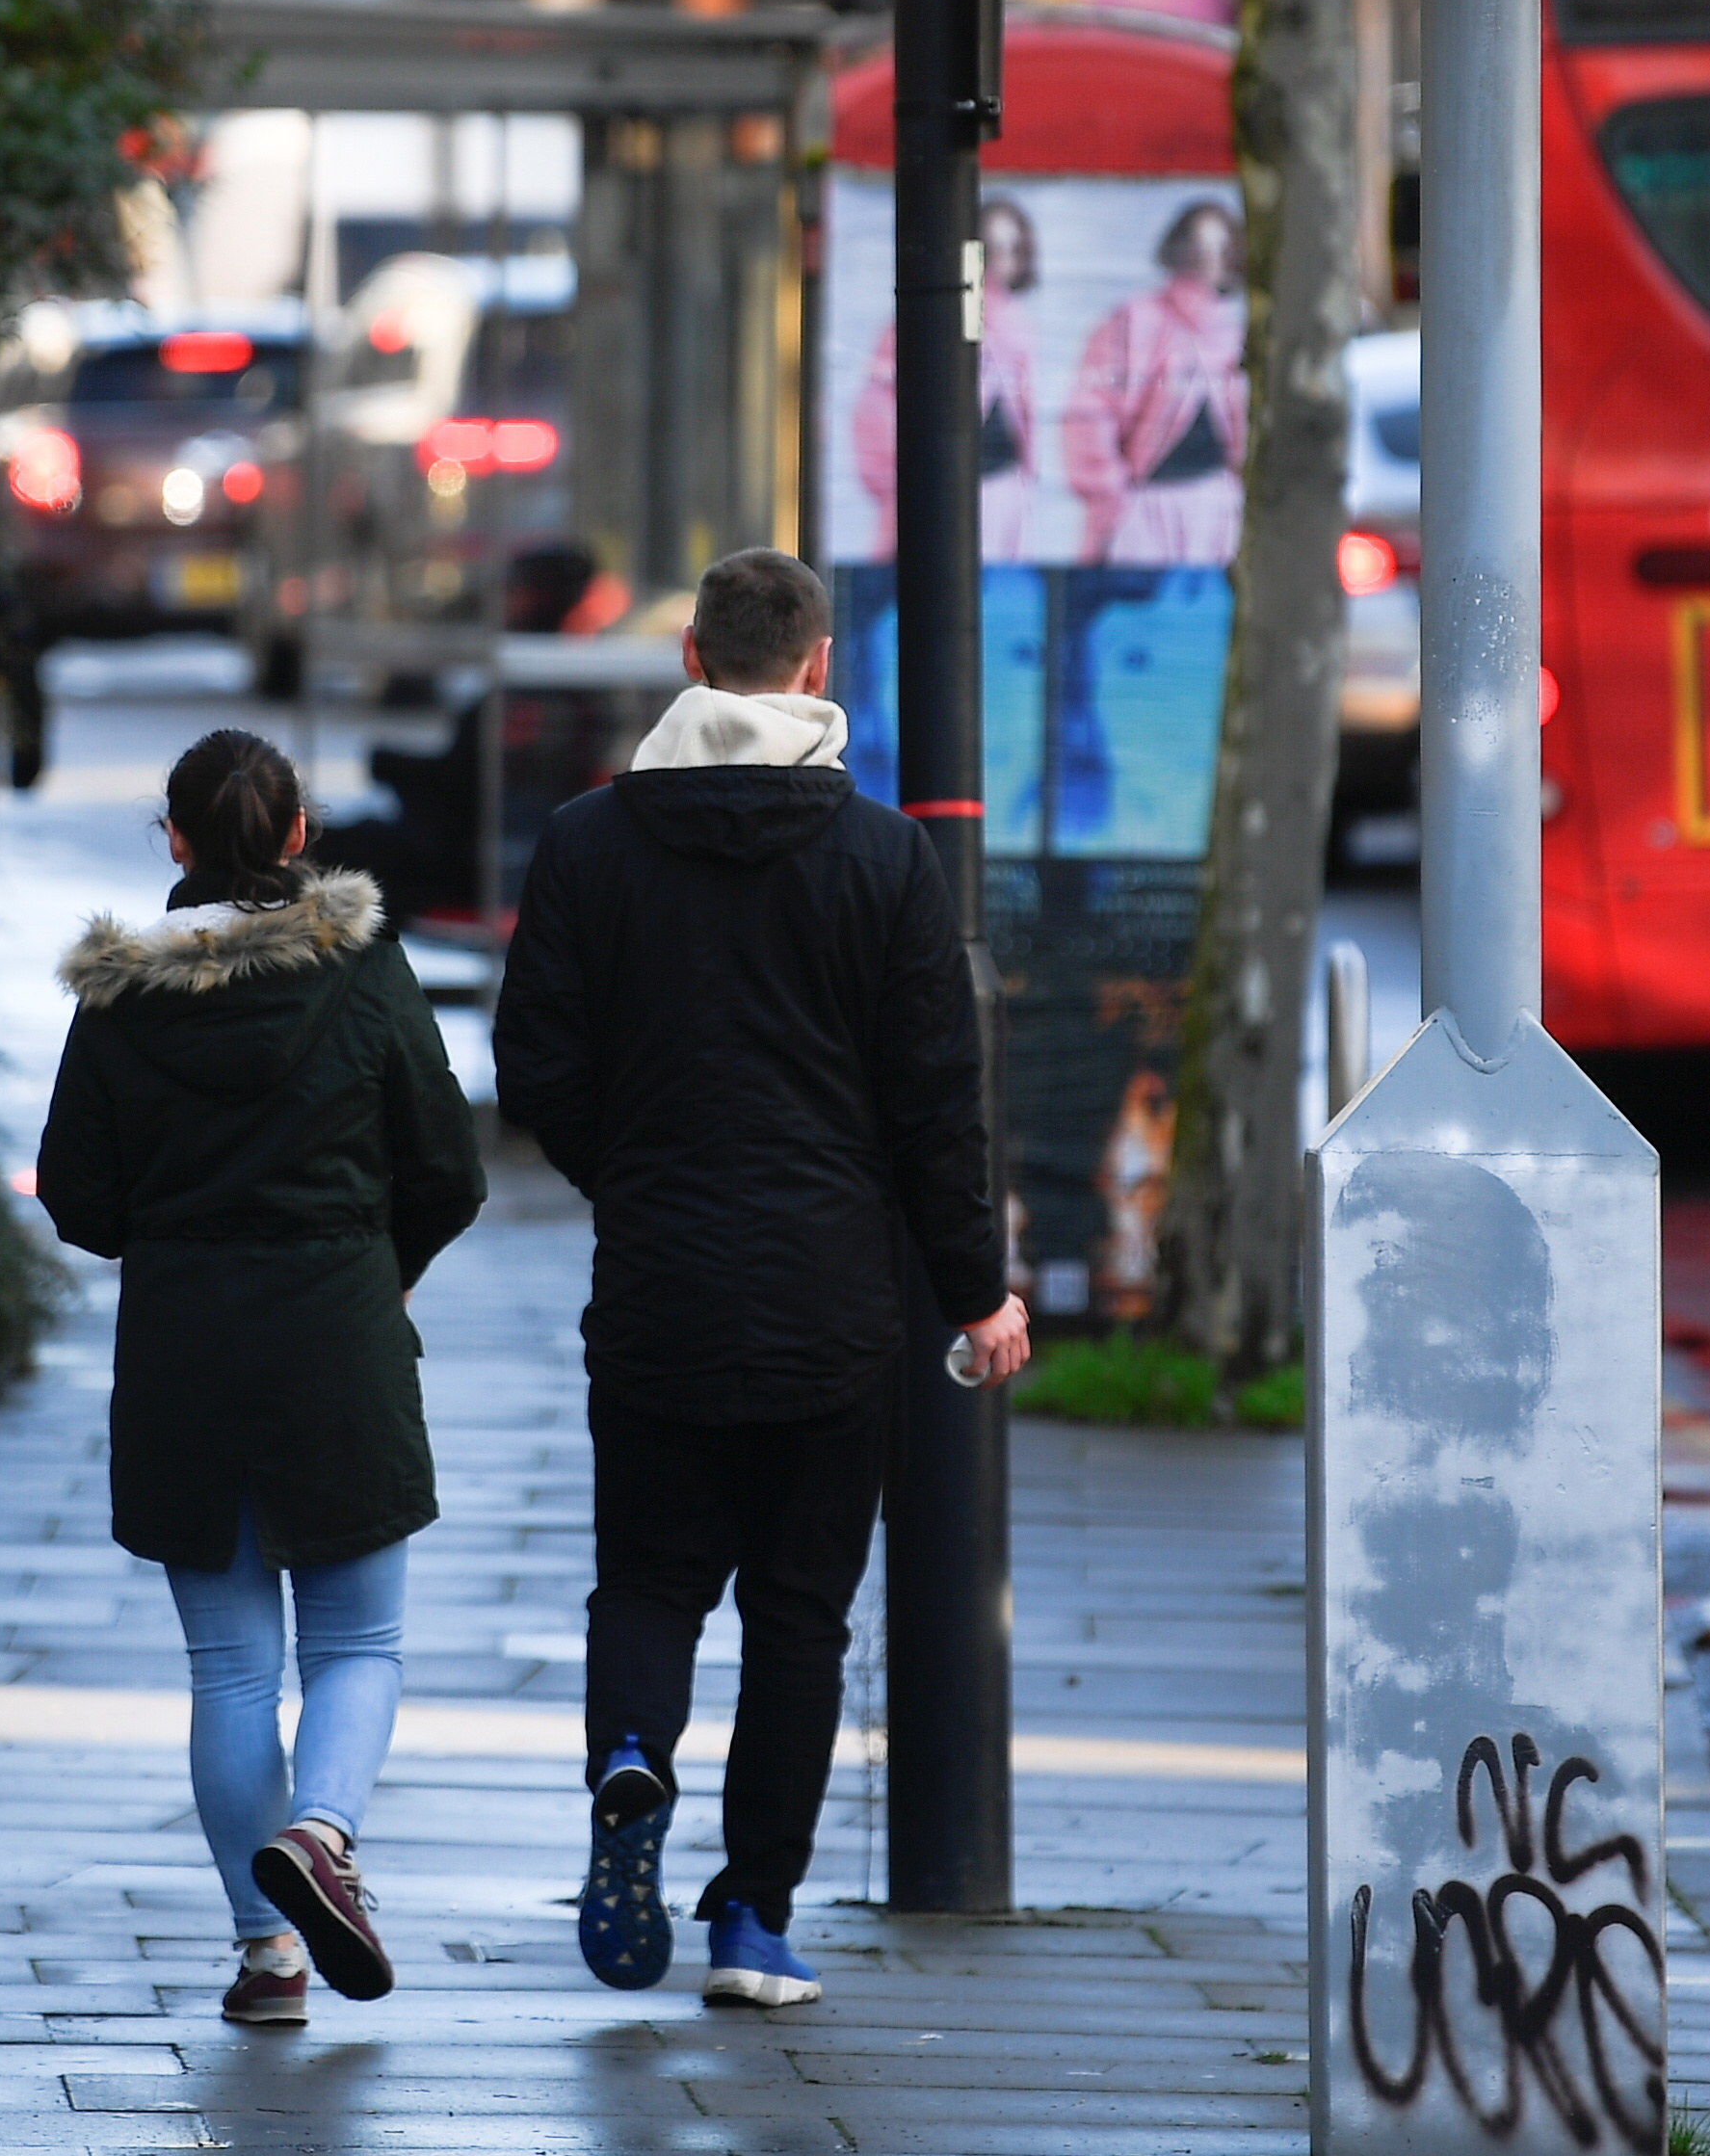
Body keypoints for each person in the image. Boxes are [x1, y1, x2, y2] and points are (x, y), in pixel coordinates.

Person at [492, 549, 1027, 2011]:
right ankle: (752, 1924)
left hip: (658, 1282)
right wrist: (977, 1290)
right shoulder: (882, 859)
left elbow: (534, 1063)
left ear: (686, 657)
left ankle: (627, 1760)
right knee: (799, 1618)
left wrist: (640, 1174)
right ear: (817, 669)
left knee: (652, 1579)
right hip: (828, 1301)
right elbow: (937, 1107)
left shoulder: (591, 845)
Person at [39, 730, 487, 2026]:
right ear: (300, 836)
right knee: (359, 1642)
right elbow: (446, 1163)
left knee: (231, 1673)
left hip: (186, 1349)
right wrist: (379, 1264)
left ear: (174, 843)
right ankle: (325, 1837)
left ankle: (267, 1952)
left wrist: (175, 1244)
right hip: (337, 1335)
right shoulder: (361, 968)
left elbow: (78, 1191)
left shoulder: (124, 994)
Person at [853, 195, 1048, 560]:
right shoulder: (912, 325)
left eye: (1012, 248)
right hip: (933, 497)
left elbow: (1027, 416)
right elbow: (874, 410)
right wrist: (902, 487)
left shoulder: (1022, 329)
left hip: (1005, 496)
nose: (1000, 260)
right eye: (990, 248)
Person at [1062, 195, 1251, 564]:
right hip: (1145, 509)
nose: (1210, 260)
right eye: (1200, 247)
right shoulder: (1133, 320)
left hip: (1219, 509)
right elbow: (1088, 413)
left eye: (1220, 248)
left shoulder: (1233, 331)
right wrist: (1112, 495)